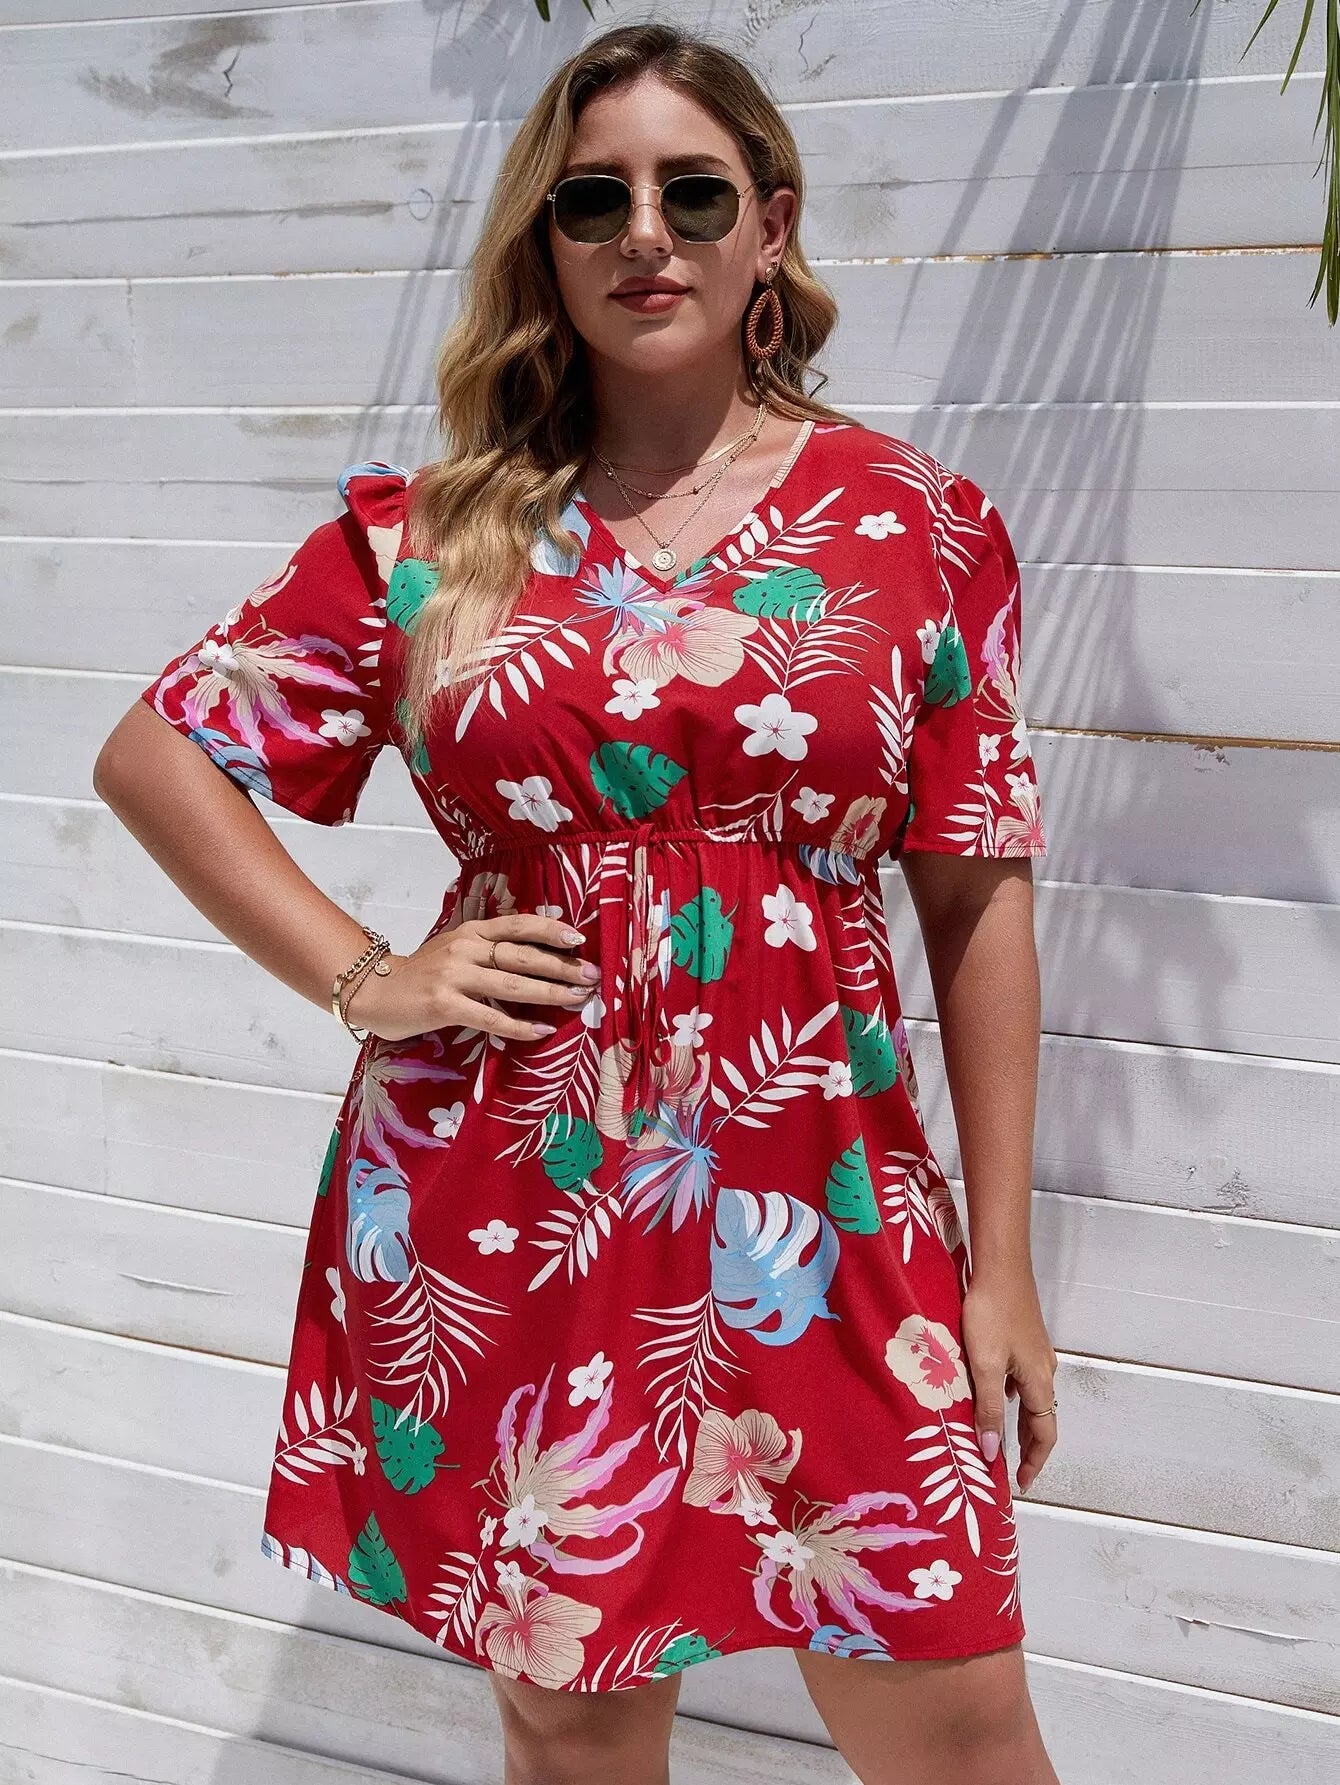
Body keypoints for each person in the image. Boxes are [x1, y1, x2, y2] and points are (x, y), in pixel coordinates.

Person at [94, 21, 1061, 1785]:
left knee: (954, 1708)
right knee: (575, 1712)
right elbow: (162, 753)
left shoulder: (916, 527)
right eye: (592, 199)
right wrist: (368, 973)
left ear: (771, 226)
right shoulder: (437, 536)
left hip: (826, 1194)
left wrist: (1000, 1261)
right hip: (515, 1191)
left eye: (695, 192)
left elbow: (977, 889)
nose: (647, 233)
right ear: (544, 241)